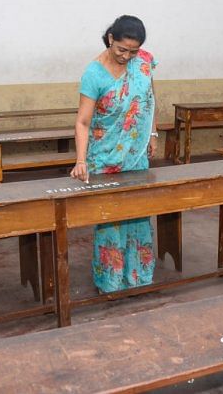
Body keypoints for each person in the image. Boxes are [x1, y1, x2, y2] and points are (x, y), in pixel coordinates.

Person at [70, 15, 159, 293]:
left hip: (135, 155)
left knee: (139, 214)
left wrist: (153, 132)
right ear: (111, 39)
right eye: (122, 49)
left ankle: (139, 278)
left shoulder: (143, 61)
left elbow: (149, 97)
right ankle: (110, 282)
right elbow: (82, 122)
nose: (126, 56)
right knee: (111, 221)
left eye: (132, 51)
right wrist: (80, 160)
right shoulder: (94, 74)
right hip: (105, 157)